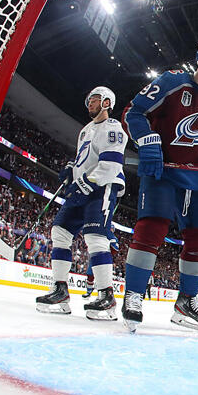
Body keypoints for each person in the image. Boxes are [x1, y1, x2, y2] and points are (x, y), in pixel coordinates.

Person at [120, 39, 198, 333]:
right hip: (162, 172)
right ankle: (133, 295)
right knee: (152, 228)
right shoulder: (172, 82)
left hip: (197, 181)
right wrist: (146, 141)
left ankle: (185, 302)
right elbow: (133, 114)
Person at [35, 86, 126, 321]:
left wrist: (84, 182)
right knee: (59, 231)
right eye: (89, 100)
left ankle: (106, 296)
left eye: (95, 100)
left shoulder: (113, 129)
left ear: (107, 102)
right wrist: (70, 168)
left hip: (101, 187)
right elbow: (83, 158)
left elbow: (110, 166)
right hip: (82, 187)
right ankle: (60, 291)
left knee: (95, 238)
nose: (90, 104)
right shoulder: (86, 130)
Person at [83, 227, 120, 299]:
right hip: (95, 256)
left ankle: (101, 294)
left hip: (104, 258)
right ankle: (89, 291)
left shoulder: (113, 237)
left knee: (102, 277)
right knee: (90, 274)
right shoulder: (101, 233)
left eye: (111, 228)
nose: (110, 229)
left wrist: (111, 246)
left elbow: (115, 249)